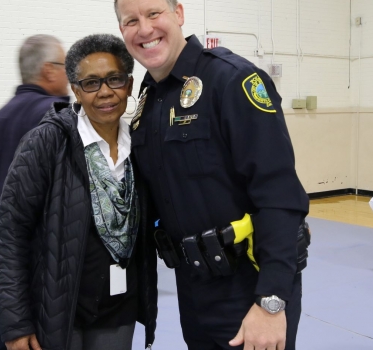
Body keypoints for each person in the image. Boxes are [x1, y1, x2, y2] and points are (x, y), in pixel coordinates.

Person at [115, 1, 310, 349]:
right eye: (131, 20)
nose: (144, 29)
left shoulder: (231, 79)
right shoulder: (150, 97)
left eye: (154, 14)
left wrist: (271, 301)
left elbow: (280, 195)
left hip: (248, 286)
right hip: (192, 286)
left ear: (179, 14)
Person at [0, 33, 157, 350]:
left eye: (114, 80)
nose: (105, 92)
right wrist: (15, 324)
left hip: (119, 308)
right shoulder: (47, 142)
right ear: (77, 91)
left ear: (130, 85)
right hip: (60, 312)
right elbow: (10, 236)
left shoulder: (142, 145)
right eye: (91, 83)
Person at [0, 34, 70, 350]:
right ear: (48, 70)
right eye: (65, 65)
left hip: (9, 269)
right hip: (51, 271)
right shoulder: (58, 117)